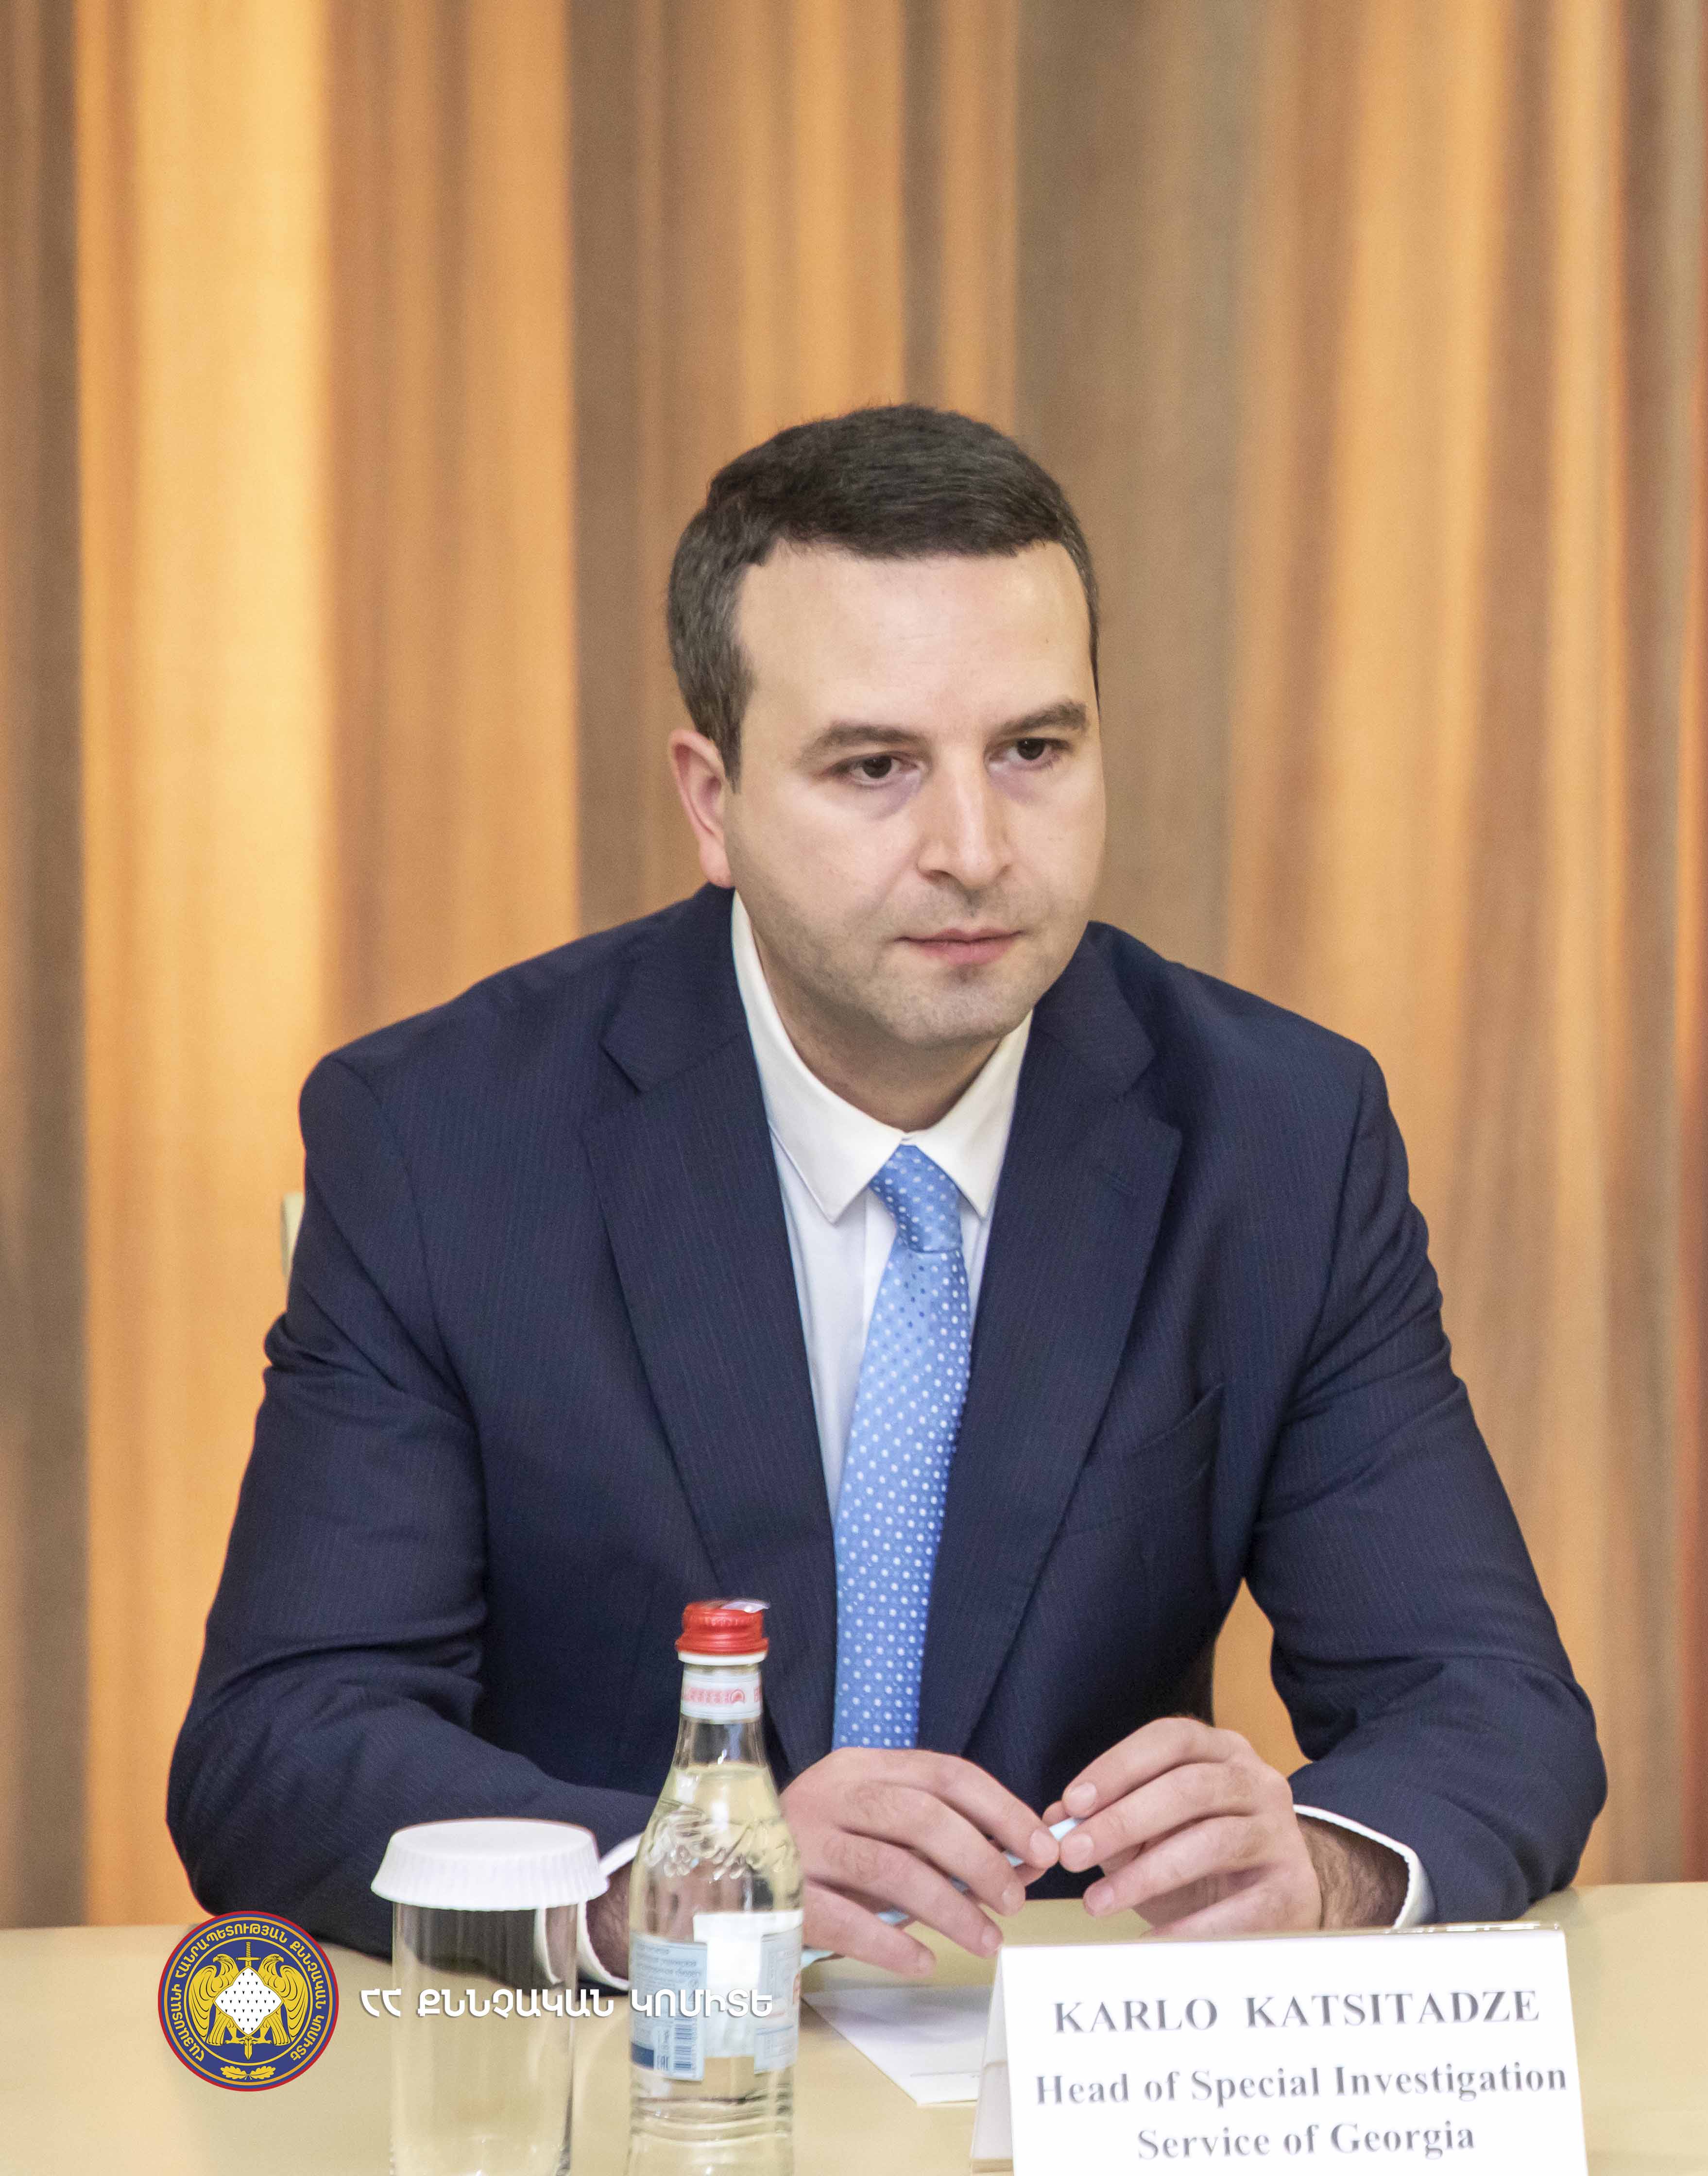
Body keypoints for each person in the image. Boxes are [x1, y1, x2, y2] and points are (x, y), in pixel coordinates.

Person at [173, 406, 1603, 1969]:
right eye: (875, 767)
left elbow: (1492, 1706)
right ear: (712, 802)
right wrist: (663, 1884)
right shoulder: (446, 1141)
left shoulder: (1276, 1138)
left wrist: (1323, 1868)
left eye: (1034, 753)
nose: (974, 849)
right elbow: (282, 1743)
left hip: (1055, 2055)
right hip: (631, 2065)